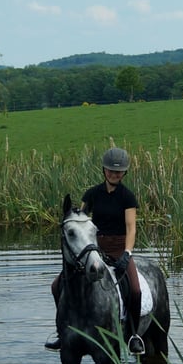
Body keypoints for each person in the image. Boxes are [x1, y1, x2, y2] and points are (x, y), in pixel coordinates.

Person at [46, 147, 142, 351]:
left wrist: (127, 253)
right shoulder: (92, 194)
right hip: (94, 250)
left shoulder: (127, 197)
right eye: (110, 171)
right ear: (104, 170)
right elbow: (81, 221)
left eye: (118, 172)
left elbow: (131, 228)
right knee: (56, 286)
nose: (114, 174)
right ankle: (62, 331)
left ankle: (133, 335)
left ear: (124, 173)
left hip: (118, 248)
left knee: (134, 289)